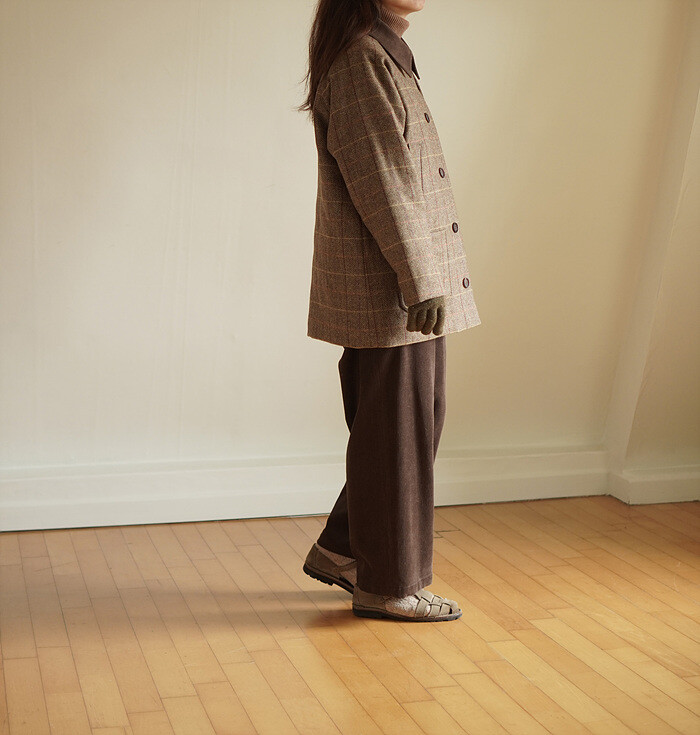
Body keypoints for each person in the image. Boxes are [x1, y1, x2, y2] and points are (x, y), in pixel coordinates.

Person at [297, 0, 481, 621]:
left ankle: (345, 549)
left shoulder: (379, 51)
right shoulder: (361, 59)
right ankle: (388, 585)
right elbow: (383, 180)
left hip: (398, 284)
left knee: (401, 428)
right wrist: (421, 278)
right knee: (397, 436)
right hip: (391, 291)